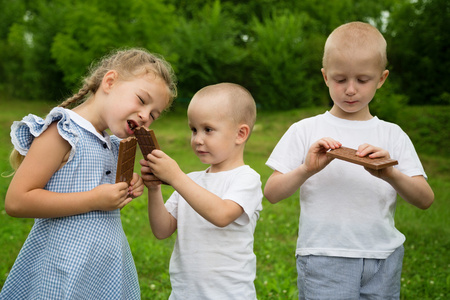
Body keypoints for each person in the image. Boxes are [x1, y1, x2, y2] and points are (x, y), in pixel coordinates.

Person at [264, 22, 434, 299]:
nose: (351, 90)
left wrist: (391, 173)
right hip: (324, 257)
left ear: (381, 78)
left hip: (384, 257)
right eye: (340, 79)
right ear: (325, 77)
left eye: (363, 80)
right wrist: (306, 169)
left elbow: (425, 199)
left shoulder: (392, 135)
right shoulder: (304, 130)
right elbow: (271, 193)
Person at [1, 48, 177, 299]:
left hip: (102, 269)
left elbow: (99, 209)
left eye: (153, 115)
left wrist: (124, 190)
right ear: (109, 82)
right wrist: (94, 199)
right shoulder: (63, 132)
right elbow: (17, 202)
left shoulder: (115, 145)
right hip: (62, 265)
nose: (145, 116)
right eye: (141, 100)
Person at [140, 83, 263, 299]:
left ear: (240, 134)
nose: (197, 139)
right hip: (185, 293)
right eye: (193, 129)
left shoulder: (246, 178)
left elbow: (222, 214)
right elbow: (162, 230)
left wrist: (176, 177)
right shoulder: (191, 181)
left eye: (208, 130)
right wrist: (154, 189)